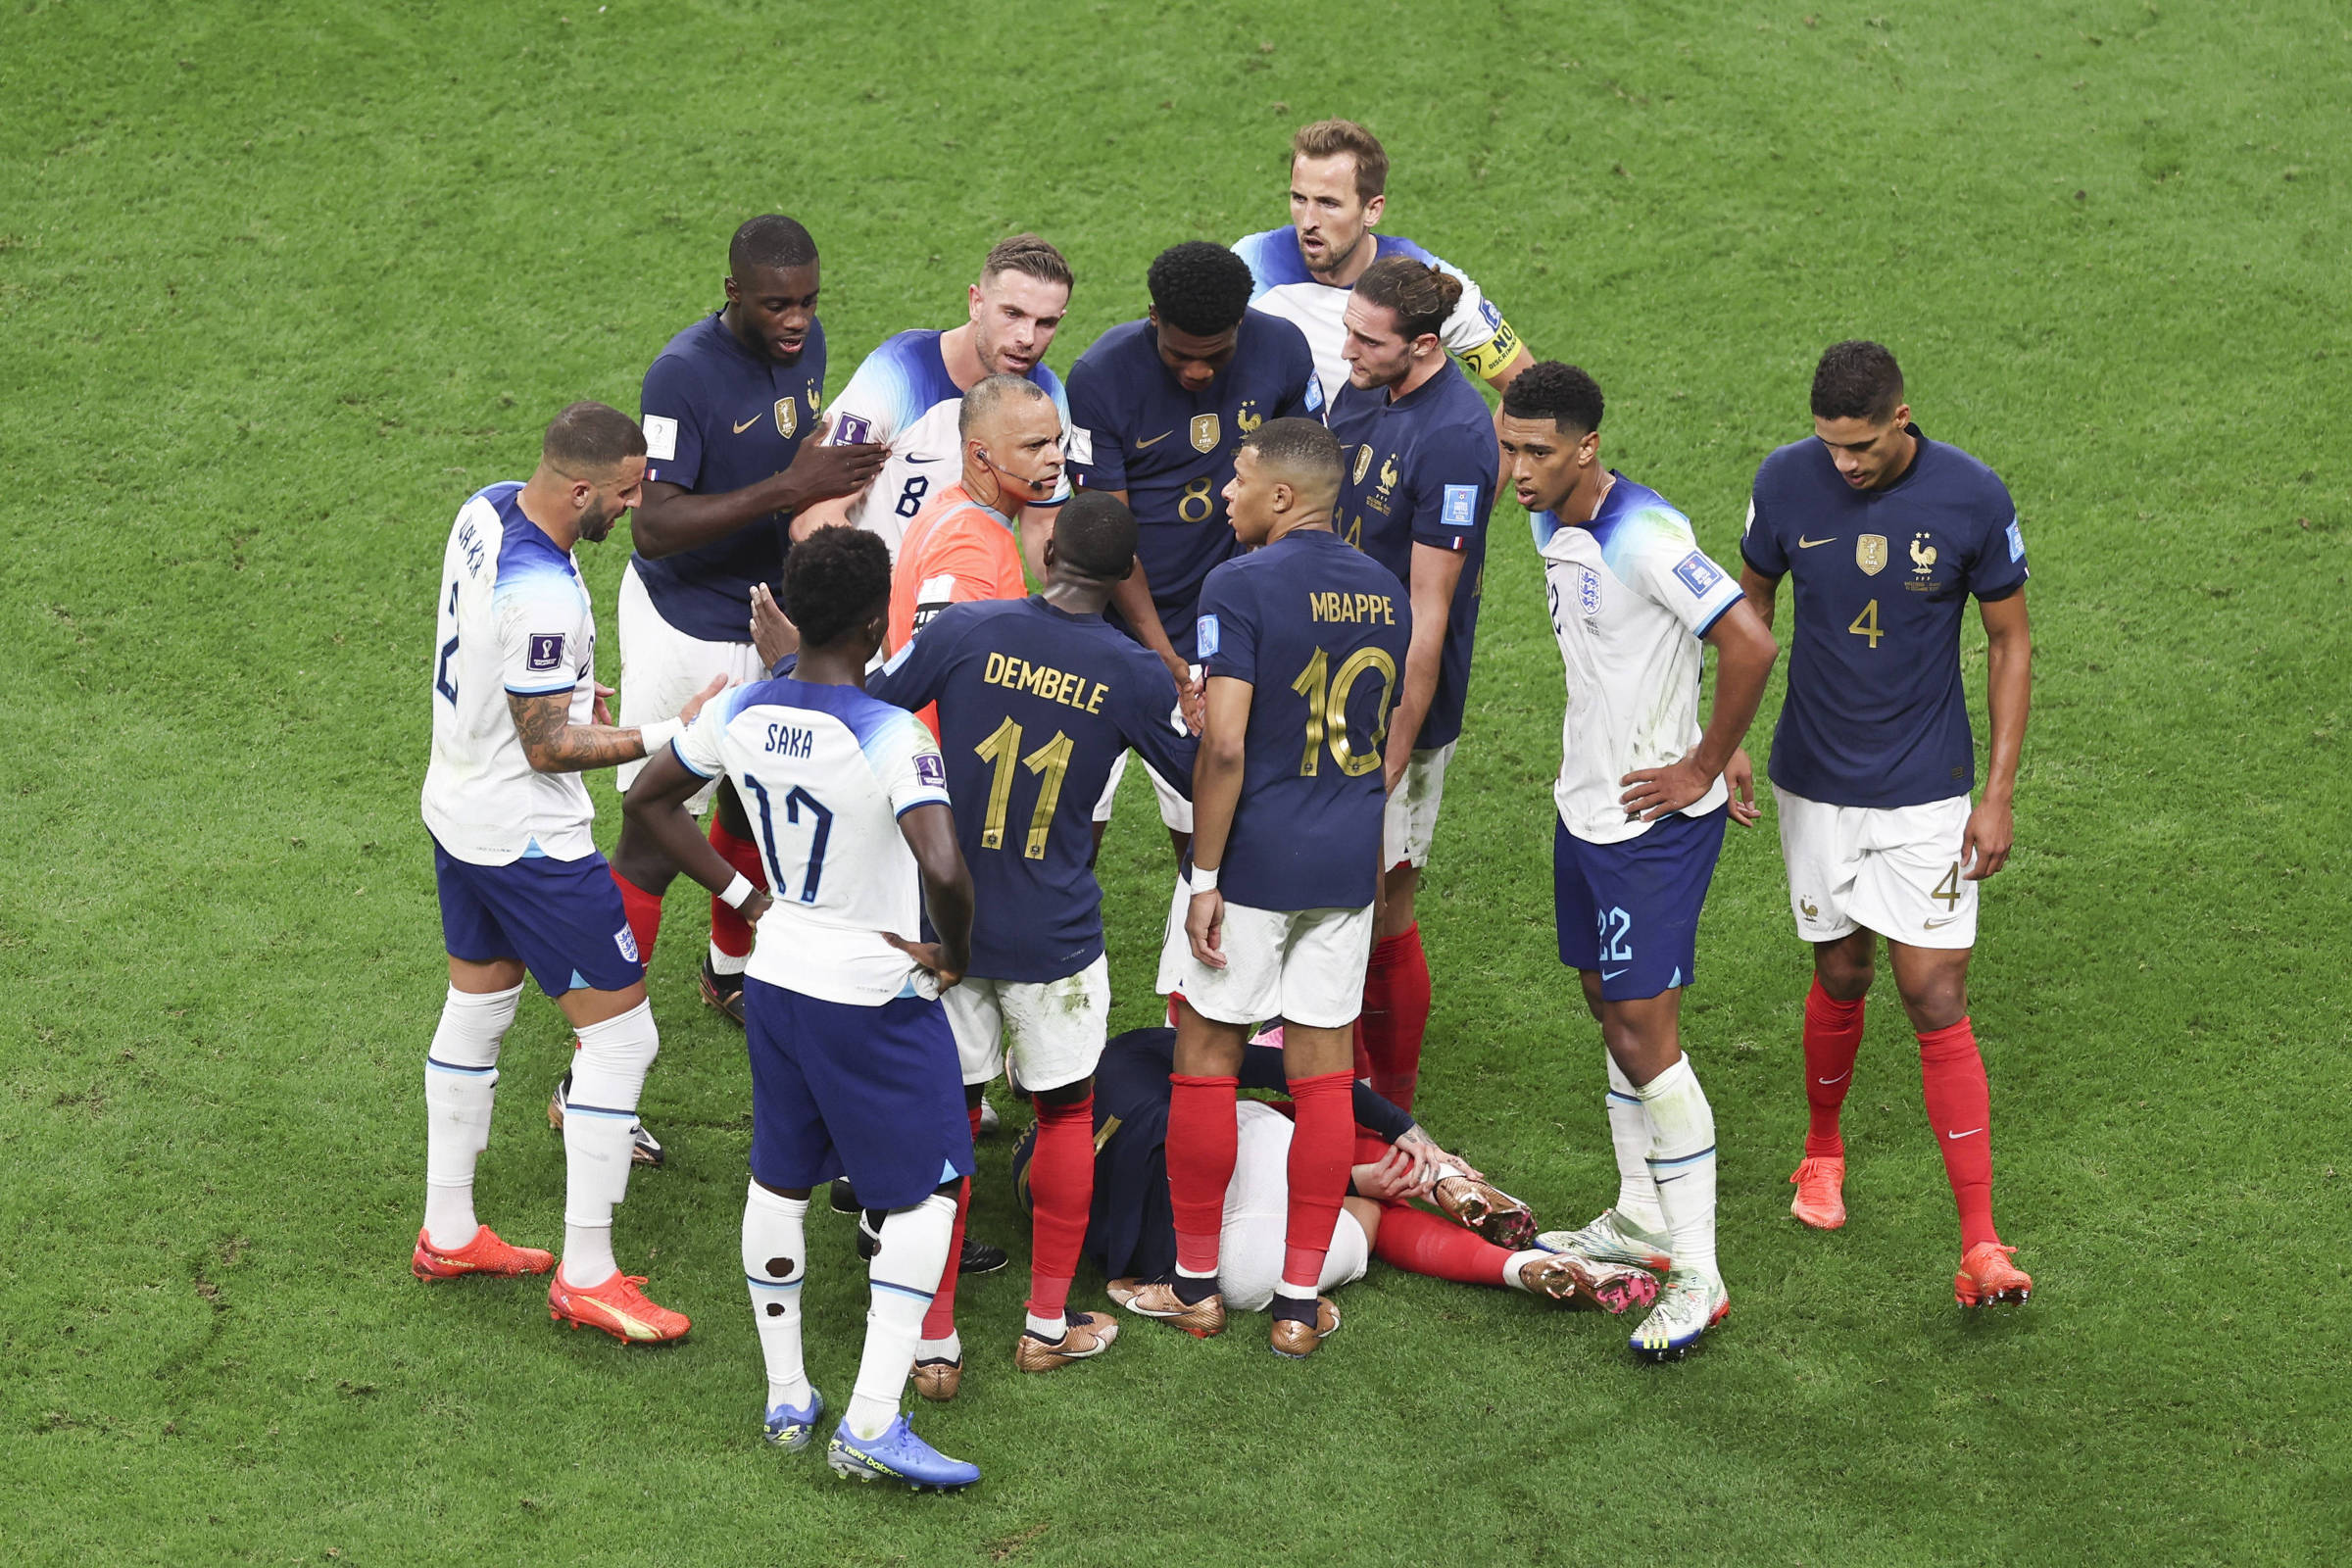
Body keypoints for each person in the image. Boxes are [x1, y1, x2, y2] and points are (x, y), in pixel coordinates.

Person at [621, 526, 983, 1491]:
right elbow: (944, 864)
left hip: (777, 976)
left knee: (779, 1179)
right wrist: (954, 949)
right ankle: (872, 1418)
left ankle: (788, 1396)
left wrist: (740, 899)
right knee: (929, 1192)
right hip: (870, 995)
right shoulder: (892, 734)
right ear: (877, 621)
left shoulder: (741, 706)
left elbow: (653, 802)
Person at [864, 492, 1199, 1394]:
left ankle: (932, 1342)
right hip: (1053, 937)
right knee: (1064, 1114)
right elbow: (1203, 781)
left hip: (949, 924)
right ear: (1125, 575)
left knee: (948, 1118)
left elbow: (873, 708)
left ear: (1048, 552)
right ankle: (1046, 1325)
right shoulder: (1134, 674)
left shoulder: (966, 630)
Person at [1736, 340, 2035, 1307]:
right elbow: (1749, 609)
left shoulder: (1973, 497)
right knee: (1842, 968)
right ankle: (1821, 1152)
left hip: (1929, 788)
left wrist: (1997, 792)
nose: (1844, 465)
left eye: (1861, 446)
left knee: (1934, 990)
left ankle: (1982, 1243)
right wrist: (1723, 737)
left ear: (1901, 418)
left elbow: (2009, 640)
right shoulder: (1785, 482)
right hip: (1814, 781)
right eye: (1831, 446)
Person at [415, 402, 714, 1345]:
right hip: (530, 841)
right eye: (626, 493)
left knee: (480, 1002)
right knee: (624, 1043)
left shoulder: (487, 505)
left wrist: (577, 694)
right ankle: (588, 1273)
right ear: (581, 488)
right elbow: (548, 748)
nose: (636, 507)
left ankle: (451, 1229)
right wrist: (683, 733)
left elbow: (507, 670)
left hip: (458, 806)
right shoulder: (543, 589)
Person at [1497, 364, 1780, 1361]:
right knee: (1606, 1010)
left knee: (1645, 1031)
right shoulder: (1546, 513)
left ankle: (1698, 1271)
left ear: (1589, 449)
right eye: (1508, 446)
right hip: (1587, 804)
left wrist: (1705, 757)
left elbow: (1748, 639)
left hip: (1651, 824)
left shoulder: (1645, 533)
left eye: (1537, 452)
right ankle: (1639, 1215)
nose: (1517, 471)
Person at [1123, 417, 1411, 1359]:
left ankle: (1197, 1287)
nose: (1227, 493)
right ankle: (1295, 1305)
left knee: (1204, 1056)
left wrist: (1203, 876)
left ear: (1284, 496)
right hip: (1343, 865)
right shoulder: (1386, 590)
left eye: (1240, 478)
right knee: (1326, 1076)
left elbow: (1229, 743)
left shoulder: (1237, 584)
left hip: (1253, 864)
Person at [602, 215, 888, 1037]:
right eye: (776, 305)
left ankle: (727, 968)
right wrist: (788, 489)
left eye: (807, 302)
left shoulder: (811, 345)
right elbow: (652, 526)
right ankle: (601, 1046)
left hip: (769, 613)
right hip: (683, 623)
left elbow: (799, 461)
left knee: (754, 792)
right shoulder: (680, 377)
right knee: (655, 831)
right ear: (733, 293)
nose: (796, 321)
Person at [1015, 1028, 1659, 1318]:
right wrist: (1402, 1128)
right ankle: (1440, 1180)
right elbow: (1296, 1074)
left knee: (1366, 1219)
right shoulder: (1125, 1050)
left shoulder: (1036, 1186)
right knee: (1301, 1128)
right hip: (1243, 1157)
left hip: (1216, 1267)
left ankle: (1520, 1270)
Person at [1063, 241, 1323, 856]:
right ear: (1154, 316)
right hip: (1114, 634)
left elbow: (1305, 493)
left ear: (1242, 322)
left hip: (1228, 626)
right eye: (1181, 355)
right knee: (1071, 828)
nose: (1198, 372)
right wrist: (1168, 663)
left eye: (1217, 355)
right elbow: (1109, 538)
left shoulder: (1283, 350)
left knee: (1209, 832)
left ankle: (1210, 945)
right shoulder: (1101, 377)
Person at [1326, 255, 1501, 1112]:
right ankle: (1337, 1084)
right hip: (1324, 676)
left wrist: (1396, 748)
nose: (1348, 346)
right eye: (1351, 325)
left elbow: (1431, 612)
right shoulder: (1364, 385)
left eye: (1368, 336)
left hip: (1396, 702)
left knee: (1381, 899)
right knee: (1329, 891)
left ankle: (1386, 1105)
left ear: (1426, 346)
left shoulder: (1459, 440)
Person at [792, 234, 1074, 559]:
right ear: (976, 303)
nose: (1027, 338)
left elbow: (1042, 525)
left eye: (1046, 323)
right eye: (1012, 314)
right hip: (878, 598)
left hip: (973, 598)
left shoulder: (1045, 399)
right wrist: (907, 590)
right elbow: (813, 520)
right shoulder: (898, 372)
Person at [1233, 119, 1534, 420]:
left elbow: (1529, 391)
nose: (1308, 220)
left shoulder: (1424, 282)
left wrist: (1490, 465)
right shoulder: (1251, 261)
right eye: (1299, 198)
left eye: (1328, 203)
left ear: (1372, 210)